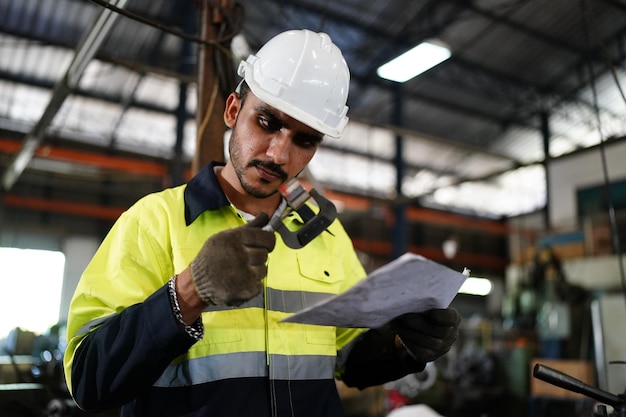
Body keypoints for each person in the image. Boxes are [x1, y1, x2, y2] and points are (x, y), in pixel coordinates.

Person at [63, 29, 461, 417]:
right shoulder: (154, 221)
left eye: (304, 140)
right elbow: (88, 380)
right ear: (234, 110)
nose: (278, 155)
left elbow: (347, 356)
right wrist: (189, 292)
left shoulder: (325, 236)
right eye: (267, 122)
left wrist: (403, 346)